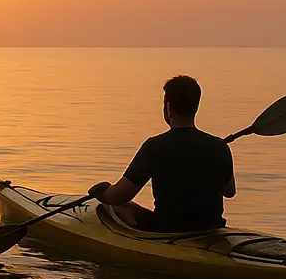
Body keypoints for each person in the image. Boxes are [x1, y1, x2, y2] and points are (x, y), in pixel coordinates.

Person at [88, 75, 235, 233]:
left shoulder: (155, 146)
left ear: (169, 107)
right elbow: (229, 191)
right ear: (196, 107)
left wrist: (102, 193)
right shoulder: (220, 147)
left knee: (119, 208)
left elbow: (119, 196)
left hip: (167, 229)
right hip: (212, 228)